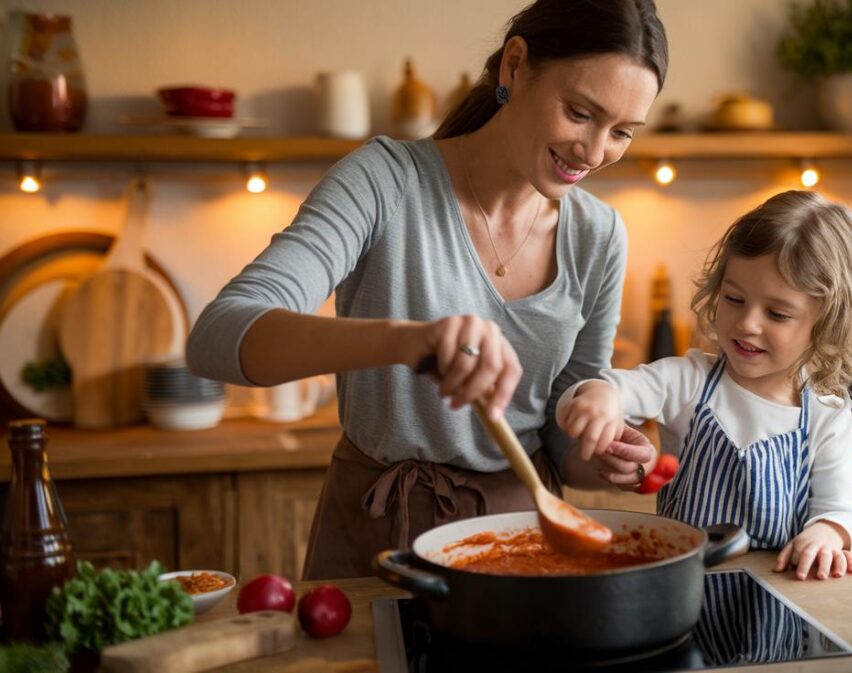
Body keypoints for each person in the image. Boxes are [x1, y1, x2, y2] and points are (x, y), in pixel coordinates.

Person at [186, 0, 668, 580]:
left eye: (621, 132)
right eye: (579, 112)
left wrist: (607, 453)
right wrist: (407, 341)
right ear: (514, 67)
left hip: (521, 542)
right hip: (373, 534)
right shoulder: (385, 181)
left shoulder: (598, 234)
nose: (594, 153)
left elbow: (565, 431)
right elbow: (217, 337)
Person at [556, 190, 852, 581]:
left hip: (775, 602)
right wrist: (597, 401)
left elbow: (840, 509)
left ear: (827, 323)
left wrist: (826, 535)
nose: (747, 323)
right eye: (734, 299)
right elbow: (602, 390)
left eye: (777, 313)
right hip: (682, 593)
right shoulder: (688, 380)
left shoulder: (827, 414)